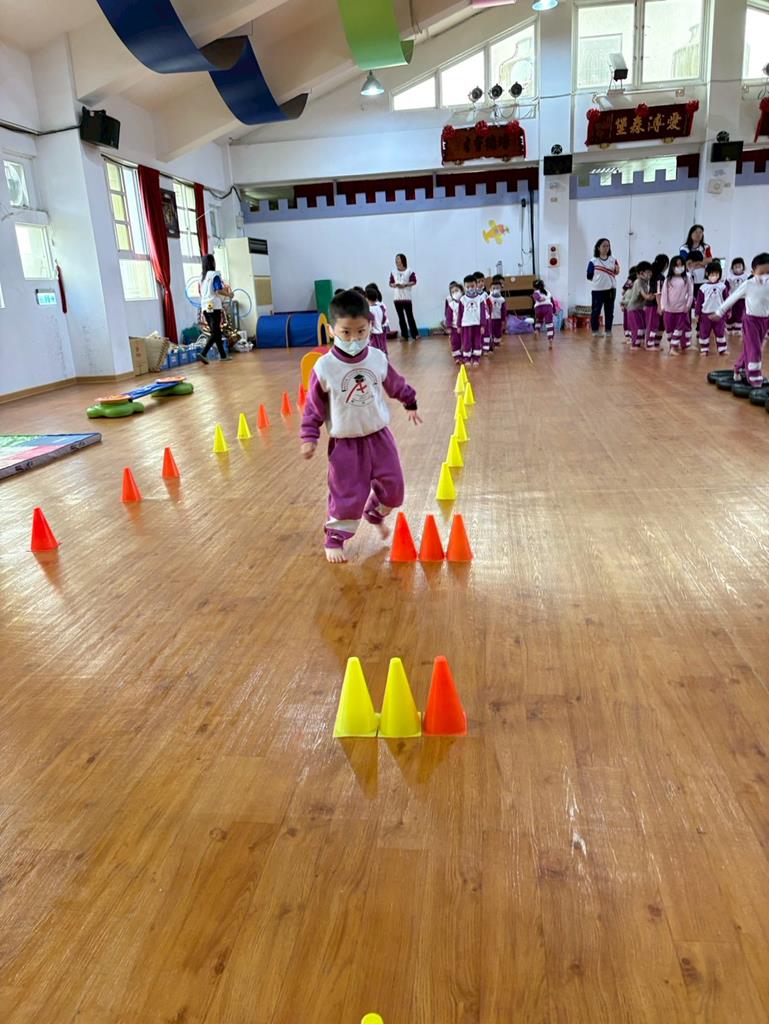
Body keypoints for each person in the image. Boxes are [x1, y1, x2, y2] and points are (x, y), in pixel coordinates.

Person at [300, 289, 421, 563]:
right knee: (347, 495)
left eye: (360, 332)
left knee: (395, 490)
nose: (354, 339)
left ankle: (374, 512)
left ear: (369, 326)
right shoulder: (325, 367)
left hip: (380, 438)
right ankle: (334, 538)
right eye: (346, 333)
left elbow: (395, 383)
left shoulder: (376, 358)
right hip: (345, 445)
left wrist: (409, 401)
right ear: (332, 330)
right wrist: (309, 436)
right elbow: (313, 406)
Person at [713, 253, 769, 387]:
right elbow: (733, 298)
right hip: (751, 321)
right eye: (761, 273)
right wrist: (719, 312)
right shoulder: (748, 284)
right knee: (755, 349)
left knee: (751, 347)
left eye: (768, 272)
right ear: (753, 272)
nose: (765, 276)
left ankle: (739, 367)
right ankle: (754, 375)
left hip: (765, 321)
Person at [198, 253, 233, 364]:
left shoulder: (202, 277)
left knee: (216, 331)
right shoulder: (214, 275)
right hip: (214, 306)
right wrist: (229, 294)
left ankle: (223, 355)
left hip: (205, 306)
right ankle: (204, 353)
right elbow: (218, 290)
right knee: (215, 332)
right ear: (212, 263)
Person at [660, 256, 694, 354]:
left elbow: (690, 294)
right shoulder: (668, 280)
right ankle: (673, 345)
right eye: (677, 265)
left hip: (681, 310)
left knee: (679, 329)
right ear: (672, 266)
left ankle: (674, 348)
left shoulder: (687, 279)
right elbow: (664, 294)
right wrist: (663, 306)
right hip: (669, 310)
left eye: (681, 265)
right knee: (669, 330)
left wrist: (688, 306)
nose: (679, 267)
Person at [587, 238, 620, 338]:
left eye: (608, 246)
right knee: (596, 311)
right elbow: (589, 276)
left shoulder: (613, 259)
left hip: (611, 289)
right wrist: (599, 280)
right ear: (598, 247)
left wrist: (617, 270)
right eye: (604, 246)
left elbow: (617, 272)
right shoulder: (593, 261)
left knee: (609, 311)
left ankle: (608, 330)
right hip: (597, 290)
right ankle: (595, 330)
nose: (606, 248)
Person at [695, 262, 729, 356]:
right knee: (704, 333)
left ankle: (722, 349)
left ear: (719, 274)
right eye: (712, 274)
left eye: (716, 274)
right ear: (707, 274)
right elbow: (699, 302)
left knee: (720, 332)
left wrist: (728, 311)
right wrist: (697, 314)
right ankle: (704, 349)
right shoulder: (703, 287)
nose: (714, 276)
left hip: (719, 315)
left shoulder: (722, 286)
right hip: (705, 315)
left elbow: (727, 300)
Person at [456, 274, 488, 366]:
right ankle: (467, 358)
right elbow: (460, 314)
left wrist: (483, 325)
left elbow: (483, 313)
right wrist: (459, 326)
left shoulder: (480, 299)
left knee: (477, 342)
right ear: (464, 287)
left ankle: (476, 358)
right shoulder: (463, 299)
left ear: (476, 285)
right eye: (468, 287)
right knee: (466, 342)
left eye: (472, 286)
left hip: (477, 325)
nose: (470, 288)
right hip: (466, 325)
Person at [623, 261, 654, 349]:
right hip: (633, 309)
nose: (650, 274)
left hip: (640, 309)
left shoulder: (645, 282)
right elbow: (645, 295)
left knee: (643, 328)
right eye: (648, 272)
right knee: (638, 328)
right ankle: (634, 345)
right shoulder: (638, 282)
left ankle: (640, 343)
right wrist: (652, 296)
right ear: (641, 273)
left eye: (650, 272)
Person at [389, 253, 419, 341]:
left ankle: (415, 334)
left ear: (403, 260)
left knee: (410, 316)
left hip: (407, 297)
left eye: (398, 259)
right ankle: (404, 335)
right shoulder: (393, 271)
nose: (397, 261)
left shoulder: (409, 271)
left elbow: (414, 281)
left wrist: (405, 285)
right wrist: (394, 285)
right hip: (397, 298)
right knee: (401, 317)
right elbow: (390, 283)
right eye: (396, 259)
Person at [679, 225, 712, 297]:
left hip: (704, 280)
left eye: (700, 232)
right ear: (691, 234)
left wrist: (696, 263)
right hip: (689, 279)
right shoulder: (684, 248)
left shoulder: (706, 247)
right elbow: (685, 263)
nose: (698, 234)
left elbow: (709, 260)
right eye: (696, 232)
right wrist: (702, 263)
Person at [646, 254, 669, 349]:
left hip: (656, 304)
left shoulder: (655, 275)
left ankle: (656, 343)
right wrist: (660, 306)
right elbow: (658, 293)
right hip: (654, 305)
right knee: (653, 325)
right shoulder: (659, 276)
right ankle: (649, 344)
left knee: (661, 325)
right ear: (665, 264)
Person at [725, 257, 748, 337]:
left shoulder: (746, 277)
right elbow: (726, 288)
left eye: (739, 266)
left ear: (743, 267)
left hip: (742, 298)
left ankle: (737, 329)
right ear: (732, 268)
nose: (737, 268)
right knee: (731, 313)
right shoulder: (729, 277)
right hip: (732, 298)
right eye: (735, 267)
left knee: (740, 314)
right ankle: (729, 327)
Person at [365, 283, 389, 355]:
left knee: (374, 349)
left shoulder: (370, 309)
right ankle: (384, 357)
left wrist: (369, 331)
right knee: (382, 346)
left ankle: (380, 358)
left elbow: (370, 322)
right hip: (381, 330)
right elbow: (384, 318)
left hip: (374, 332)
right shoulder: (380, 307)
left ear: (366, 298)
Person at [532, 279, 555, 347]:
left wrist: (540, 299)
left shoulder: (535, 292)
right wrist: (554, 311)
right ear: (543, 285)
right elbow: (552, 302)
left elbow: (537, 298)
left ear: (534, 287)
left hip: (538, 308)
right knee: (549, 324)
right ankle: (550, 340)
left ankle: (537, 330)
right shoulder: (548, 292)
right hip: (548, 308)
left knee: (539, 321)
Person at [445, 281, 463, 364]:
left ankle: (465, 355)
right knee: (455, 342)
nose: (455, 293)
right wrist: (448, 326)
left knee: (465, 342)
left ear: (461, 291)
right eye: (452, 292)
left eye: (456, 291)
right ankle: (457, 357)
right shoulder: (451, 305)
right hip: (454, 328)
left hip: (465, 327)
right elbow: (448, 316)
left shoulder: (465, 302)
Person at [474, 271, 492, 354]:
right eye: (478, 282)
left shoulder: (485, 294)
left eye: (482, 281)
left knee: (486, 333)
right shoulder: (473, 295)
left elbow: (489, 305)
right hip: (477, 318)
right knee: (478, 334)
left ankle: (486, 349)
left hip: (486, 317)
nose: (481, 283)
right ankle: (478, 348)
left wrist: (489, 311)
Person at [489, 275, 507, 349]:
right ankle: (490, 343)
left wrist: (503, 319)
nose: (496, 289)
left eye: (497, 288)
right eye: (494, 288)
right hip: (490, 318)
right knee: (490, 331)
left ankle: (497, 342)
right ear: (490, 289)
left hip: (498, 318)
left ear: (500, 289)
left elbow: (503, 310)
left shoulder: (502, 299)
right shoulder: (489, 298)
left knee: (498, 331)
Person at [620, 267, 637, 342]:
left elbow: (623, 292)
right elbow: (623, 293)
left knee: (628, 321)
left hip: (630, 304)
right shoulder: (634, 282)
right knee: (631, 321)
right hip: (632, 304)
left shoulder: (630, 281)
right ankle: (631, 337)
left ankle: (629, 337)